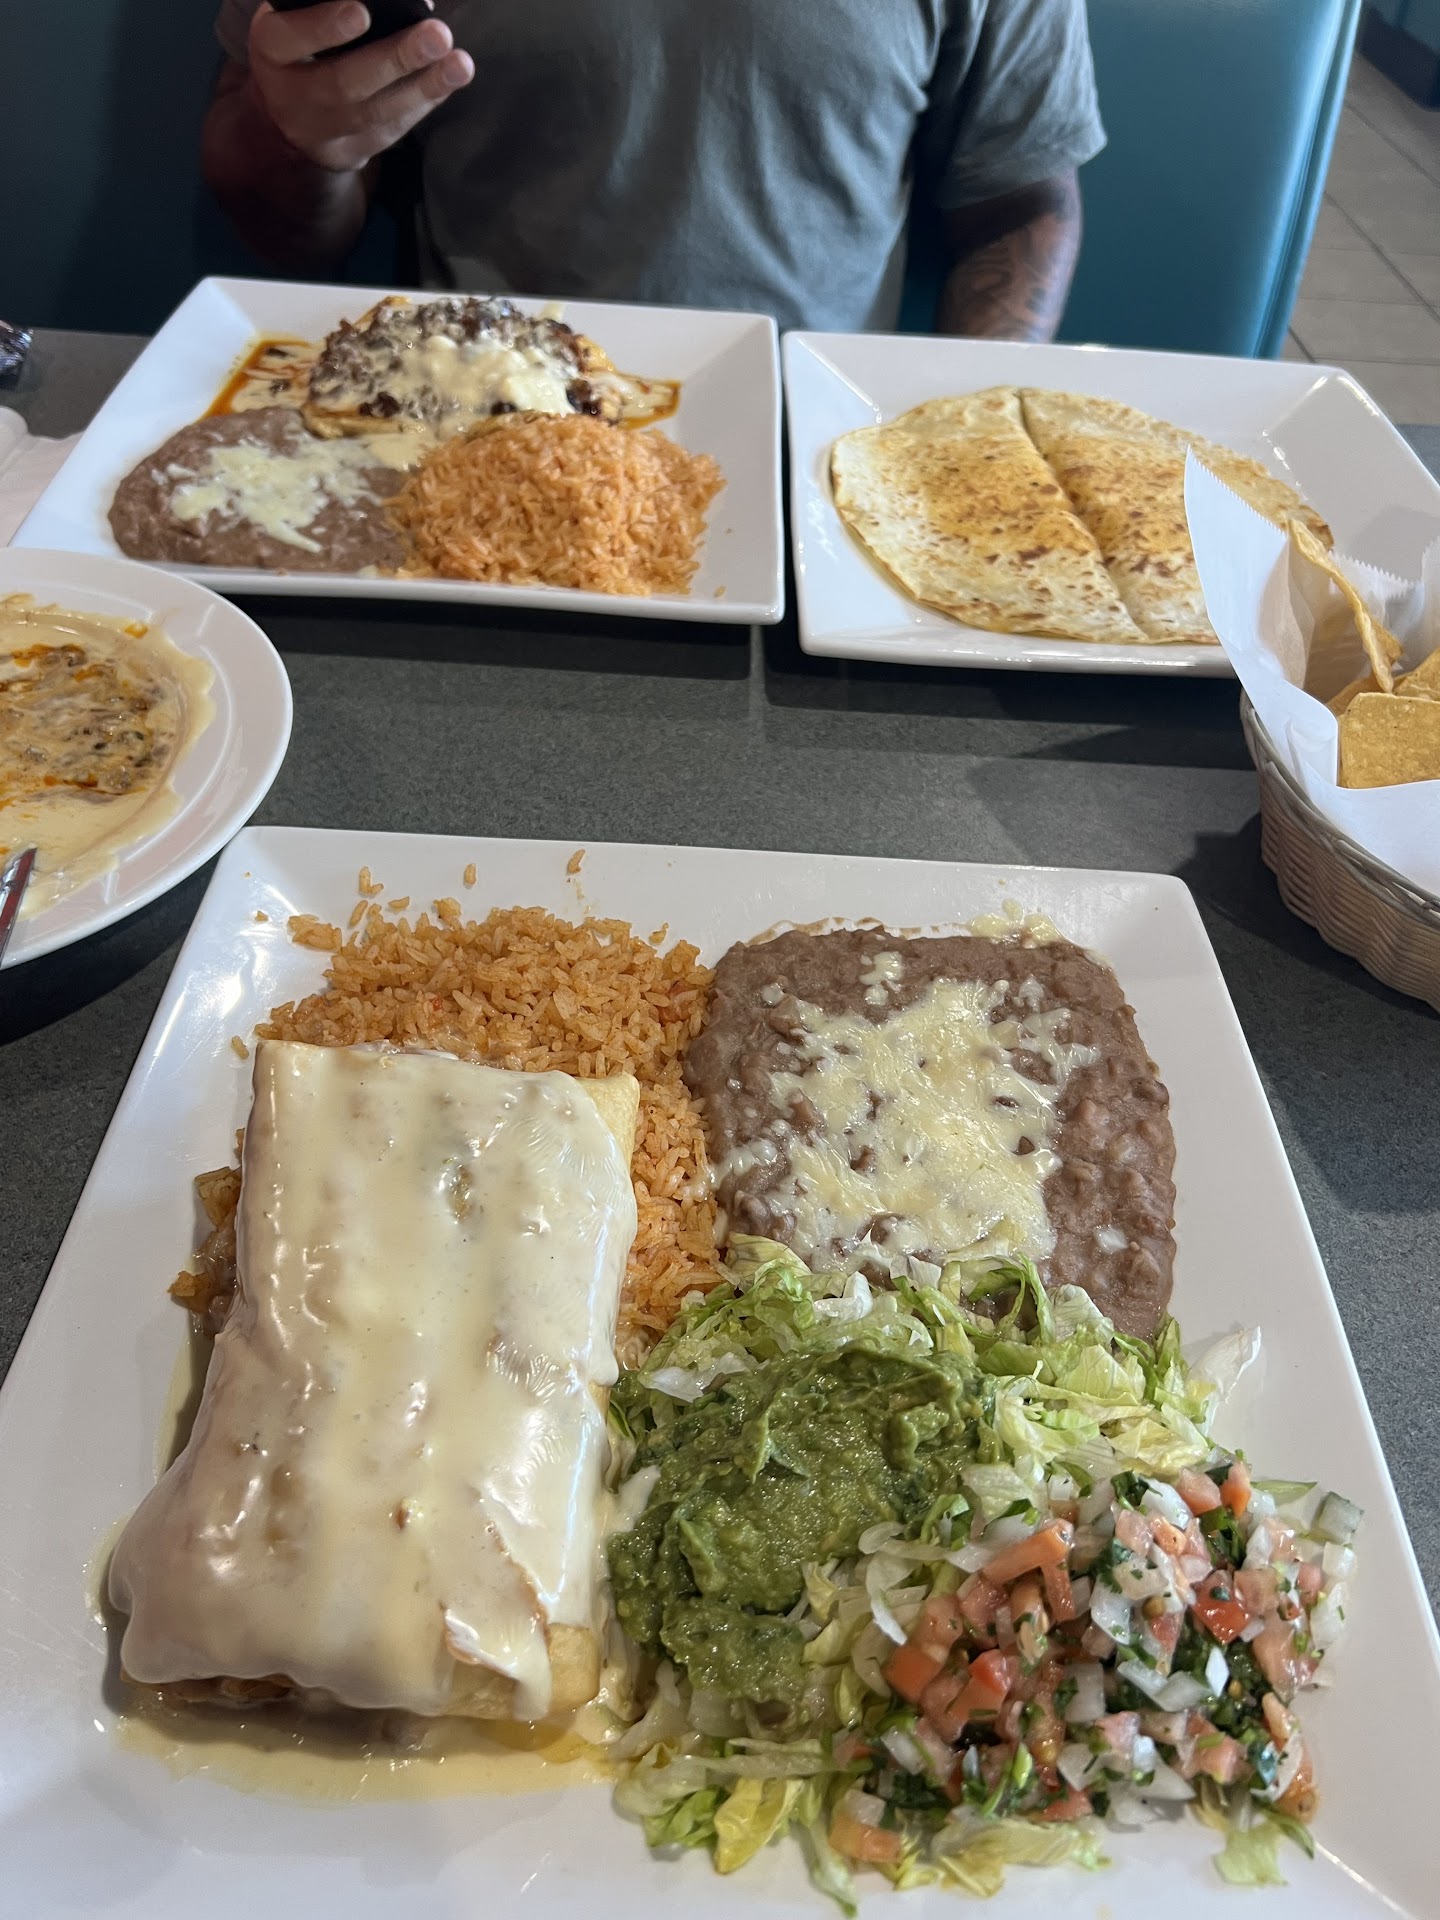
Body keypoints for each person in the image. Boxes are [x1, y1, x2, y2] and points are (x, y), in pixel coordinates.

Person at [204, 2, 1104, 340]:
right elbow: (287, 236)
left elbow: (1021, 210)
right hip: (463, 412)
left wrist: (950, 435)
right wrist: (304, 146)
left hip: (808, 459)